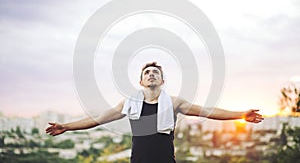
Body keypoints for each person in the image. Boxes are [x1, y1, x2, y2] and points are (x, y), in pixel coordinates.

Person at [45, 62, 264, 163]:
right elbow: (98, 119)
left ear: (162, 80)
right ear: (140, 81)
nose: (151, 74)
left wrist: (240, 115)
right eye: (147, 72)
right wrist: (67, 126)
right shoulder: (128, 103)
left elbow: (207, 111)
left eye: (155, 72)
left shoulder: (175, 102)